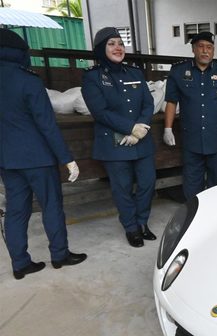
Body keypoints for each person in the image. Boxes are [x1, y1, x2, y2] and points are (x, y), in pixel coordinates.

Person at [0, 29, 87, 279]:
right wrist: (67, 158)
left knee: (16, 210)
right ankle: (59, 255)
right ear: (19, 53)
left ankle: (20, 264)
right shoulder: (28, 80)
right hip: (38, 158)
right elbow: (46, 124)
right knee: (51, 206)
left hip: (7, 160)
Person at [82, 27, 156, 248]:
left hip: (141, 141)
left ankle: (142, 222)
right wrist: (131, 128)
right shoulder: (92, 77)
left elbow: (148, 103)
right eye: (111, 43)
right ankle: (131, 227)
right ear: (101, 49)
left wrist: (141, 127)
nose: (118, 47)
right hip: (114, 143)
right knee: (122, 187)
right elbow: (100, 111)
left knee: (147, 183)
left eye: (120, 43)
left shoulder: (134, 73)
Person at [162, 31, 217, 200]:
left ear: (213, 50)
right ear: (193, 49)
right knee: (192, 183)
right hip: (191, 138)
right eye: (201, 47)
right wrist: (167, 128)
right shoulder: (179, 71)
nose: (205, 51)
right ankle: (193, 216)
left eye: (209, 47)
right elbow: (171, 102)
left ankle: (213, 216)